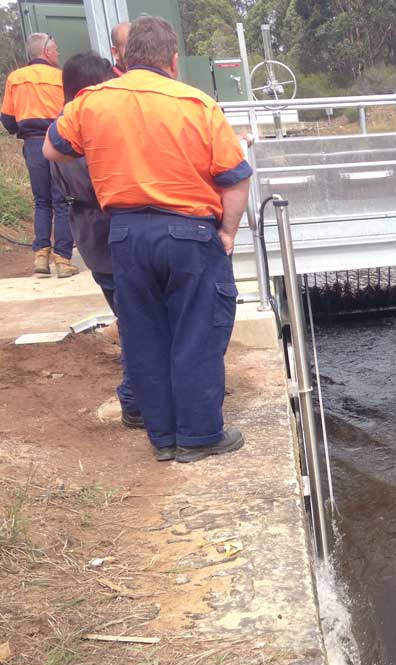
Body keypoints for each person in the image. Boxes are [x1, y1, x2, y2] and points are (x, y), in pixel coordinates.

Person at [44, 16, 252, 463]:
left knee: (145, 335)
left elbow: (52, 148)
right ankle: (198, 437)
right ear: (173, 60)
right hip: (189, 233)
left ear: (123, 58)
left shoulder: (92, 102)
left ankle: (163, 439)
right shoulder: (198, 105)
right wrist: (228, 233)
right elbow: (235, 179)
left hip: (126, 234)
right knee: (197, 331)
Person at [51, 52, 140, 430]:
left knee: (129, 317)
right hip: (112, 232)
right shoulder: (90, 127)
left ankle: (142, 395)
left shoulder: (61, 129)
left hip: (89, 236)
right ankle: (135, 399)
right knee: (139, 322)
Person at [1, 32, 77, 278]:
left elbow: (8, 120)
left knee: (41, 201)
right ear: (46, 52)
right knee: (62, 201)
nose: (58, 54)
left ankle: (41, 256)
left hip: (33, 145)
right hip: (57, 143)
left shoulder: (16, 78)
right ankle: (63, 259)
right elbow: (72, 113)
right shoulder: (61, 77)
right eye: (55, 50)